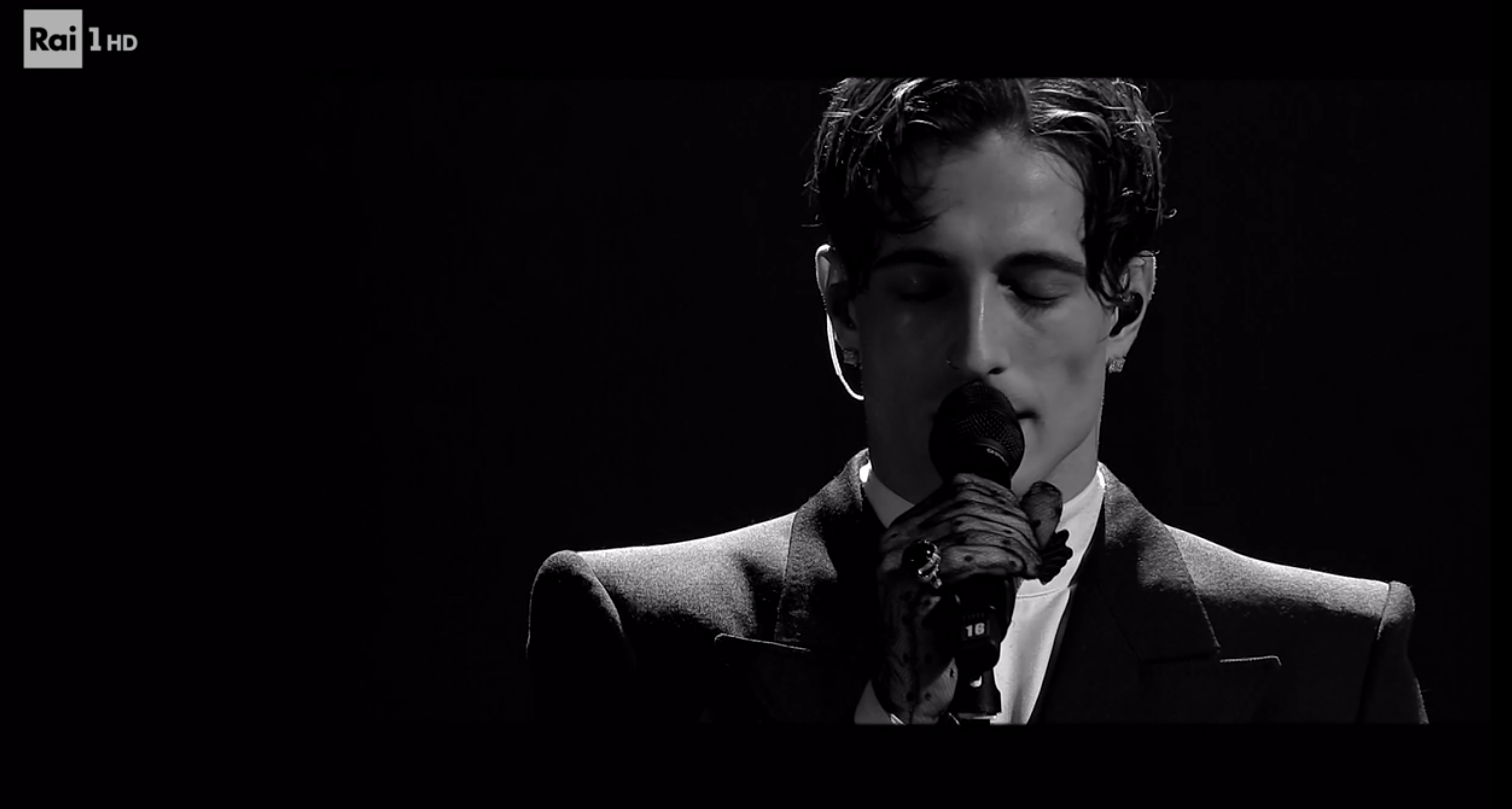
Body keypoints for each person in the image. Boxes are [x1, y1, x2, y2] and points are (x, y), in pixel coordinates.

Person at [526, 78, 1428, 723]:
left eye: (1034, 288)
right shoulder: (636, 633)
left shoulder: (1336, 658)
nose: (977, 349)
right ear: (844, 309)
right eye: (923, 287)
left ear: (1126, 310)